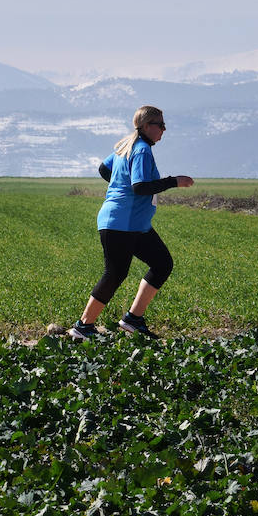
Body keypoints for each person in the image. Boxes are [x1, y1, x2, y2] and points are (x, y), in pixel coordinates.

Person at [69, 105, 193, 340]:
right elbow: (140, 186)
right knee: (115, 273)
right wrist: (174, 181)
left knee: (162, 263)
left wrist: (118, 184)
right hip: (121, 223)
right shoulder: (142, 149)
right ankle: (83, 326)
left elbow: (104, 169)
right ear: (146, 126)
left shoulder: (126, 145)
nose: (164, 130)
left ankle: (133, 319)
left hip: (134, 224)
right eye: (160, 125)